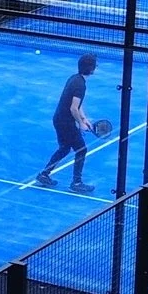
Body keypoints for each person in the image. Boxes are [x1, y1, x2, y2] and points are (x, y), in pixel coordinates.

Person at [34, 53, 100, 192]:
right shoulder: (80, 85)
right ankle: (77, 183)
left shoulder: (74, 78)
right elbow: (73, 108)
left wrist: (84, 119)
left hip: (59, 119)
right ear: (91, 68)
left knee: (64, 148)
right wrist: (80, 124)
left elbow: (77, 105)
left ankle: (44, 175)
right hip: (65, 122)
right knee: (81, 149)